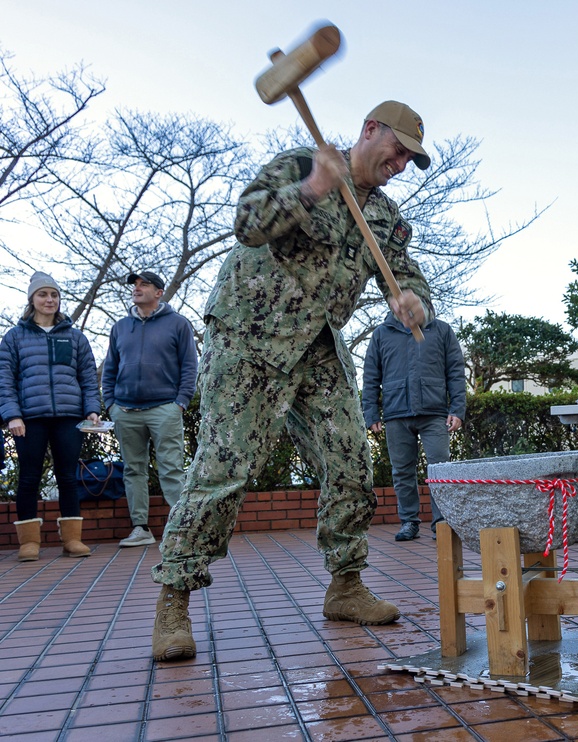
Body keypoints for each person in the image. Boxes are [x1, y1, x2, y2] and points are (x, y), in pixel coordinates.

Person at [150, 101, 434, 662]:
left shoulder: (387, 217)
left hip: (318, 347)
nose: (400, 163)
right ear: (369, 130)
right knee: (223, 470)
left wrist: (414, 302)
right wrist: (311, 189)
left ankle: (346, 585)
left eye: (409, 158)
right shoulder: (302, 166)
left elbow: (404, 274)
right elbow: (247, 224)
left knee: (351, 458)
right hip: (250, 335)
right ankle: (173, 602)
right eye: (396, 150)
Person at [0, 271, 101, 561]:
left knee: (68, 477)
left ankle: (72, 540)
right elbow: (5, 380)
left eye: (54, 294)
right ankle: (29, 543)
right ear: (32, 299)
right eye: (43, 294)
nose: (50, 299)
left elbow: (88, 378)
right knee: (29, 478)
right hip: (29, 418)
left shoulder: (75, 336)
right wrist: (12, 415)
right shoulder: (14, 337)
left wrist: (92, 408)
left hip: (69, 416)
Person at [103, 270, 197, 548]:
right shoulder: (120, 327)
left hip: (164, 408)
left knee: (171, 469)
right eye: (134, 284)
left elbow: (190, 366)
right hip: (125, 410)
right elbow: (110, 368)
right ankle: (140, 529)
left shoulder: (178, 324)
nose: (137, 288)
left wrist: (180, 402)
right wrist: (111, 404)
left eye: (144, 284)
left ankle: (182, 530)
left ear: (159, 292)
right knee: (134, 470)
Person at [362, 312, 466, 541]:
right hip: (396, 413)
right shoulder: (381, 333)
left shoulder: (441, 330)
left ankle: (441, 523)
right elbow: (370, 376)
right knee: (401, 471)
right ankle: (409, 521)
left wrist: (457, 409)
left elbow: (456, 371)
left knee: (440, 470)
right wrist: (371, 413)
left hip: (434, 412)